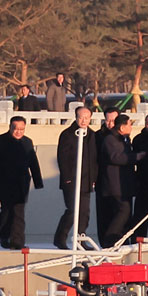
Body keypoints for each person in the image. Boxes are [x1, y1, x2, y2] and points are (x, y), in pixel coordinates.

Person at [0, 115, 43, 250]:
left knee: (19, 212)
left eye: (21, 129)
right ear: (10, 127)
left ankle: (17, 241)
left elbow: (33, 162)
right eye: (15, 128)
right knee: (6, 210)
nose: (18, 132)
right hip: (4, 182)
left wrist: (38, 181)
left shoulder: (27, 142)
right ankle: (4, 235)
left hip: (21, 182)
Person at [53, 105, 99, 249]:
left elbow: (95, 159)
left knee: (84, 212)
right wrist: (67, 177)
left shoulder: (92, 135)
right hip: (71, 181)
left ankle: (80, 239)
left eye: (87, 118)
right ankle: (60, 238)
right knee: (73, 210)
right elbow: (62, 158)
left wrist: (94, 179)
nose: (84, 120)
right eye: (81, 117)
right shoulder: (67, 134)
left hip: (87, 180)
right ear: (76, 117)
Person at [96, 113, 136, 246]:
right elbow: (116, 157)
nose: (131, 127)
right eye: (129, 124)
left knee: (126, 213)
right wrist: (135, 157)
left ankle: (120, 240)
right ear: (122, 126)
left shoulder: (125, 139)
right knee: (123, 210)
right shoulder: (110, 139)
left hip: (125, 184)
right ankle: (110, 237)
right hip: (115, 185)